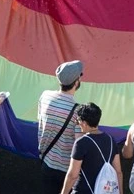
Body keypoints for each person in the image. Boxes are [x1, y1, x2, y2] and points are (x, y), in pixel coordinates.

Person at [39, 59, 84, 193]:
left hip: (46, 161)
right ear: (76, 82)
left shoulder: (45, 96)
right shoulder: (78, 111)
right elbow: (79, 144)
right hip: (66, 170)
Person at [60, 102, 122, 194]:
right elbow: (118, 172)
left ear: (84, 123)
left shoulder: (81, 143)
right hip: (105, 191)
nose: (77, 123)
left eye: (78, 121)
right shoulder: (111, 140)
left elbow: (73, 175)